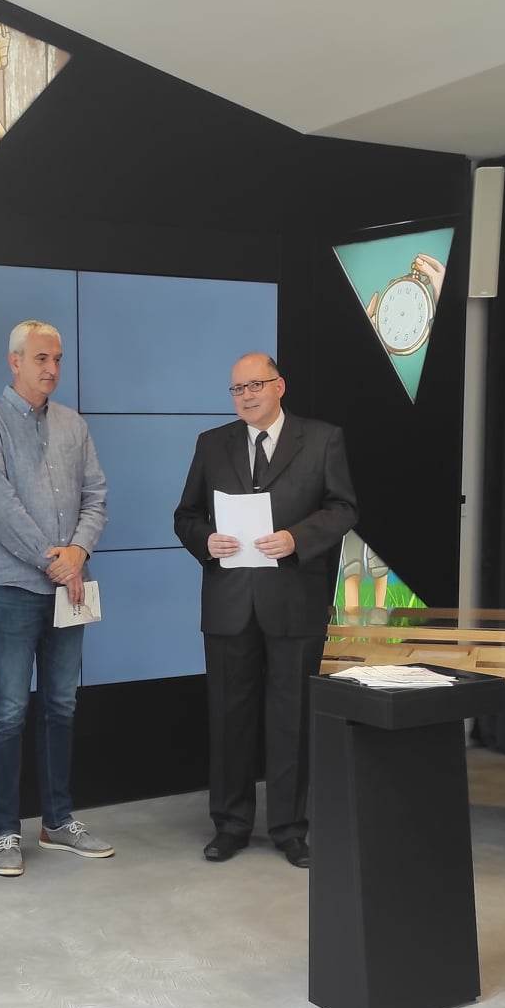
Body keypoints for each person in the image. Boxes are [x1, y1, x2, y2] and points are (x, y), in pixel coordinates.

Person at [172, 352, 359, 869]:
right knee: (228, 717)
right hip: (229, 602)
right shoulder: (212, 443)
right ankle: (230, 825)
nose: (246, 396)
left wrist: (297, 538)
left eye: (255, 385)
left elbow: (344, 507)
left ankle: (290, 828)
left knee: (291, 718)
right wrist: (206, 541)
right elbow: (185, 515)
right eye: (237, 389)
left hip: (295, 600)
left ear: (280, 385)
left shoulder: (322, 439)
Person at [0, 320, 111, 877]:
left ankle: (58, 821)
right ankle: (6, 831)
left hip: (69, 587)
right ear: (15, 361)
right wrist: (54, 560)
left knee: (62, 704)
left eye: (58, 359)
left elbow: (96, 495)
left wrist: (79, 551)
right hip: (13, 587)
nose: (52, 369)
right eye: (41, 358)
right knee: (9, 710)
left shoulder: (74, 424)